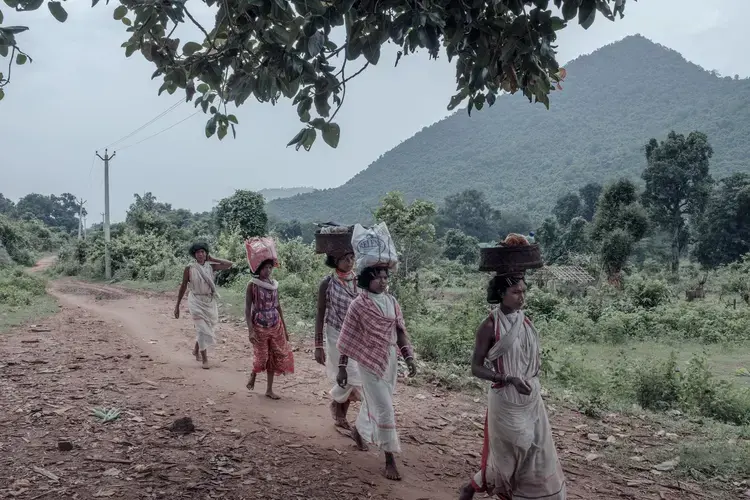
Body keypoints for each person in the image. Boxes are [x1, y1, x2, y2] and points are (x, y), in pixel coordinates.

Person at [459, 274, 566, 500]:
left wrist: (526, 379)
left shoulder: (525, 321)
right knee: (508, 457)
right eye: (516, 292)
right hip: (506, 401)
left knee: (536, 453)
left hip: (530, 399)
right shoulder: (489, 326)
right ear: (501, 295)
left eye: (523, 291)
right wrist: (508, 378)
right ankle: (471, 489)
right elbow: (476, 368)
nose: (522, 297)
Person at [336, 266, 417, 481]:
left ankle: (358, 431)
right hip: (368, 362)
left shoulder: (391, 302)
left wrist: (408, 357)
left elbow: (399, 331)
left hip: (390, 359)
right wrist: (342, 367)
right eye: (377, 278)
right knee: (385, 408)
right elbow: (348, 338)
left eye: (385, 277)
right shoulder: (358, 306)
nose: (382, 281)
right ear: (366, 280)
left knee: (375, 401)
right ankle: (389, 459)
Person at [314, 251, 360, 429]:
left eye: (351, 258)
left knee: (354, 376)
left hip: (357, 336)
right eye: (344, 258)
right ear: (334, 261)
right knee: (347, 375)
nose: (349, 262)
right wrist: (318, 345)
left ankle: (338, 408)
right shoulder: (327, 283)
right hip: (335, 335)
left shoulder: (359, 281)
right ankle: (339, 413)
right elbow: (320, 313)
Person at [174, 242, 233, 369]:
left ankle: (196, 349)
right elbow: (183, 286)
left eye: (202, 252)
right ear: (194, 255)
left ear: (206, 253)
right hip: (195, 300)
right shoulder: (190, 268)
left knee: (207, 327)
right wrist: (177, 305)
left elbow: (229, 264)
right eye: (198, 252)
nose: (200, 254)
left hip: (209, 301)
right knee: (201, 328)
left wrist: (213, 259)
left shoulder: (211, 266)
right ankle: (204, 359)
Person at [245, 258, 294, 400]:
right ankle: (254, 373)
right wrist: (250, 330)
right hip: (259, 324)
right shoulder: (252, 285)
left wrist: (284, 328)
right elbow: (248, 309)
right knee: (262, 357)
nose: (268, 271)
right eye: (265, 268)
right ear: (258, 269)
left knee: (274, 356)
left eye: (270, 268)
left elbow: (278, 306)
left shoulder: (274, 285)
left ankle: (269, 389)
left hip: (275, 323)